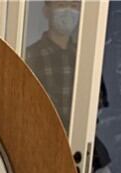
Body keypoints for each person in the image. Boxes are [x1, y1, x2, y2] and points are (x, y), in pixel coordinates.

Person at [25, 0, 81, 132]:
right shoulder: (31, 56)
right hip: (42, 135)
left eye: (74, 6)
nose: (68, 11)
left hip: (78, 138)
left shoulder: (83, 58)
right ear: (46, 10)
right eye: (61, 5)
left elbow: (98, 104)